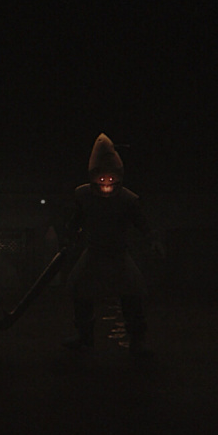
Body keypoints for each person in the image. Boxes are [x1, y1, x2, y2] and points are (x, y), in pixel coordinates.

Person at [61, 133, 162, 355]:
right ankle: (84, 336)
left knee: (133, 295)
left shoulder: (127, 199)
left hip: (118, 254)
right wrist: (68, 238)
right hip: (94, 252)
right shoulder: (84, 196)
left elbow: (142, 223)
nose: (106, 184)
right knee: (80, 291)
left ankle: (137, 339)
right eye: (101, 179)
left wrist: (152, 239)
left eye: (110, 179)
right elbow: (75, 221)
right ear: (93, 176)